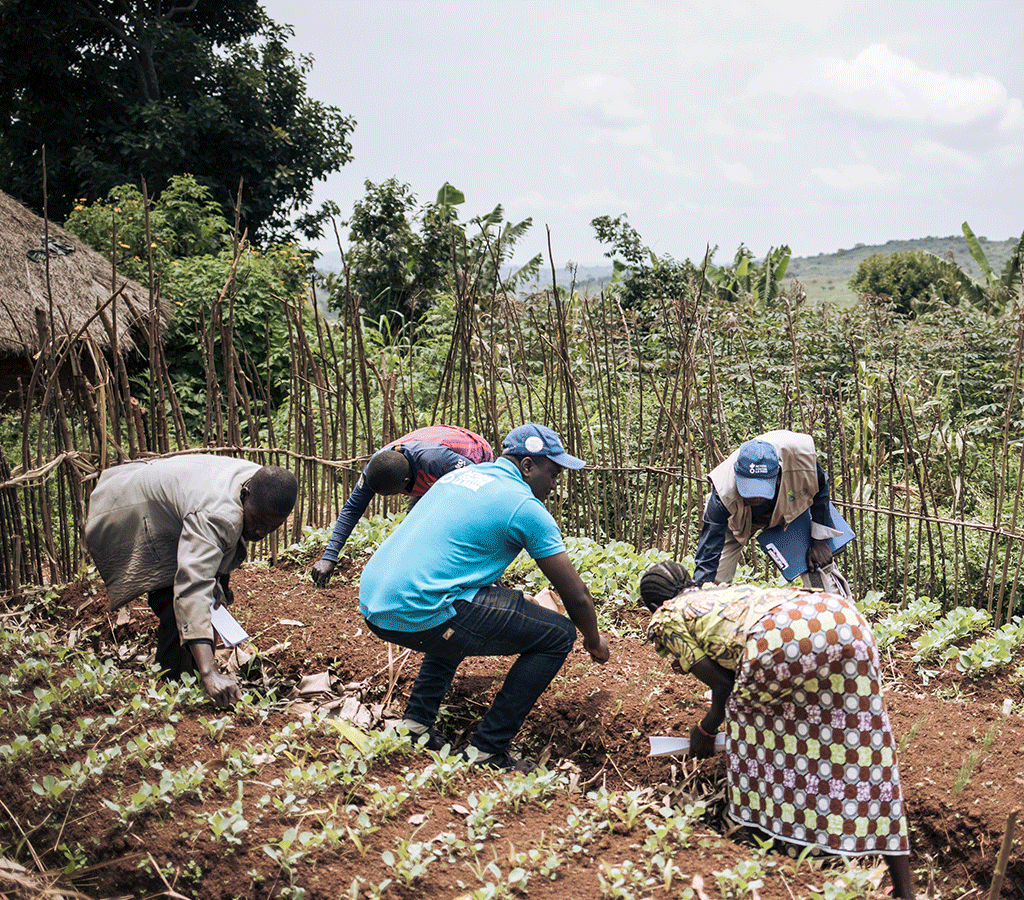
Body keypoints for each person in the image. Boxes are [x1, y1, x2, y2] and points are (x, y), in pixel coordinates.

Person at [639, 560, 914, 899]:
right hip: (843, 618)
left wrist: (706, 729)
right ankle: (904, 889)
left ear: (652, 605)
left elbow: (724, 687)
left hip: (782, 638)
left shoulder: (666, 617)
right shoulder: (717, 593)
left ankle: (760, 841)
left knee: (753, 732)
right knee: (868, 748)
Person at [358, 423, 611, 772]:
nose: (554, 485)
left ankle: (416, 725)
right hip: (417, 609)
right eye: (553, 473)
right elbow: (577, 595)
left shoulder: (456, 478)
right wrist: (594, 640)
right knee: (558, 634)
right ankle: (488, 750)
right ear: (527, 466)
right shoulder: (524, 505)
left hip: (374, 601)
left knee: (457, 603)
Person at [85, 455, 298, 707]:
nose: (262, 532)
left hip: (177, 506)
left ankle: (193, 673)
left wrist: (215, 580)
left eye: (272, 526)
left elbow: (212, 556)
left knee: (211, 591)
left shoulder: (263, 486)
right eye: (258, 521)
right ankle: (171, 688)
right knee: (172, 600)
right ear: (245, 494)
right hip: (129, 507)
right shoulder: (217, 514)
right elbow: (191, 589)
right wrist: (210, 673)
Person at [311, 424, 493, 586]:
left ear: (407, 482)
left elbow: (483, 485)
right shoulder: (377, 466)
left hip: (472, 455)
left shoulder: (436, 460)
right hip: (427, 458)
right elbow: (352, 508)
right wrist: (329, 557)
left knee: (450, 525)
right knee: (413, 527)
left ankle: (484, 576)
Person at [692, 430, 847, 590]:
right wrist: (701, 594)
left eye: (759, 492)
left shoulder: (799, 460)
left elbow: (820, 487)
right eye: (749, 491)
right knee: (712, 583)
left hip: (789, 503)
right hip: (739, 518)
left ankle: (834, 603)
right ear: (737, 475)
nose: (754, 498)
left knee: (819, 563)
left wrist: (819, 541)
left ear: (779, 475)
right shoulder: (723, 492)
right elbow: (709, 551)